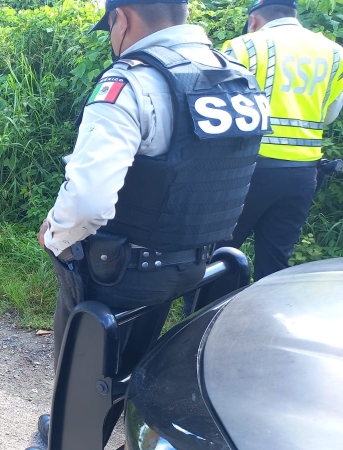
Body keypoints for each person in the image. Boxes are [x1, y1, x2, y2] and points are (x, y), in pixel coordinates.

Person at [30, 0, 270, 446]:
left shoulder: (131, 82)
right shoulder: (236, 77)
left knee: (82, 376)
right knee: (153, 364)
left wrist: (56, 237)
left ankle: (68, 436)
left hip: (121, 273)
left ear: (121, 18)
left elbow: (87, 201)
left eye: (110, 28)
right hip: (199, 265)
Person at [219, 0, 343, 281]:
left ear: (253, 20)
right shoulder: (335, 54)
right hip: (303, 174)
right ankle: (267, 321)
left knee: (219, 257)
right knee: (275, 263)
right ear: (294, 15)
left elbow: (218, 111)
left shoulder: (243, 46)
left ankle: (209, 322)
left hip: (246, 170)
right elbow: (329, 115)